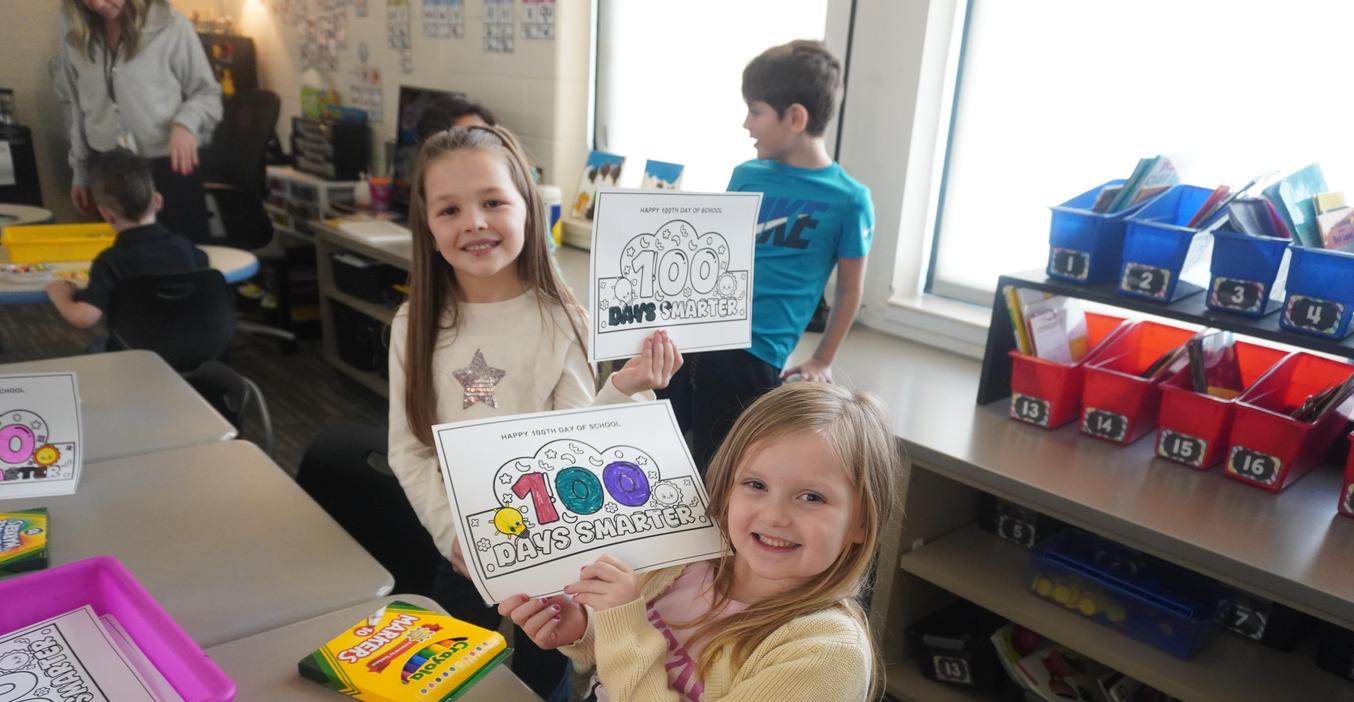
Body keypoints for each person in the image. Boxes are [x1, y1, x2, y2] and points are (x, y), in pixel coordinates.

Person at [387, 124, 682, 698]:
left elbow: (580, 445)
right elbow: (410, 449)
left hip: (555, 564)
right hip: (463, 554)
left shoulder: (564, 318)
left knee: (538, 685)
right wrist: (457, 541)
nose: (473, 221)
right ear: (427, 224)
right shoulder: (414, 324)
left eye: (493, 201)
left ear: (528, 207)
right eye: (449, 209)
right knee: (442, 685)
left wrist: (625, 386)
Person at [498, 381, 904, 701]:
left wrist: (623, 624)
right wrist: (584, 629)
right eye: (755, 484)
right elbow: (626, 660)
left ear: (862, 523)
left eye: (811, 497)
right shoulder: (687, 563)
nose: (775, 515)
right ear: (726, 486)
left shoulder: (828, 653)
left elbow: (632, 642)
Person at [660, 40, 875, 470]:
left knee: (723, 470)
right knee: (657, 456)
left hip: (755, 359)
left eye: (755, 111)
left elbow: (850, 292)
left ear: (795, 117)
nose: (746, 123)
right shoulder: (746, 175)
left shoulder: (850, 200)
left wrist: (822, 359)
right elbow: (714, 258)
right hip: (694, 339)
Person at [59, 0, 222, 241]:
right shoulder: (75, 34)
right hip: (107, 171)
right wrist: (80, 171)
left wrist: (185, 124)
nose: (98, 4)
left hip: (167, 168)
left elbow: (208, 95)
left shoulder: (171, 26)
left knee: (182, 266)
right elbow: (76, 106)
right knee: (121, 270)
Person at [46, 148, 208, 332]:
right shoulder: (185, 247)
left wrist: (61, 297)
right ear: (157, 201)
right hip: (193, 348)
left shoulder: (110, 261)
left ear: (106, 214)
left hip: (134, 353)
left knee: (96, 347)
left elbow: (83, 317)